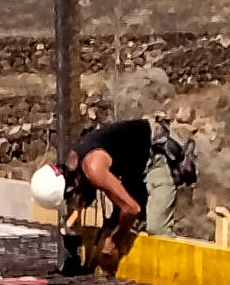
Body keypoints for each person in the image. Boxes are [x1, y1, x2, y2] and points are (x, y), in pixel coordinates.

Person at [61, 116, 195, 273]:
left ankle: (175, 276)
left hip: (155, 155)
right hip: (131, 167)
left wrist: (115, 240)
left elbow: (132, 209)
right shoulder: (72, 164)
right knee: (117, 224)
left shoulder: (93, 169)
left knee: (157, 228)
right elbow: (82, 197)